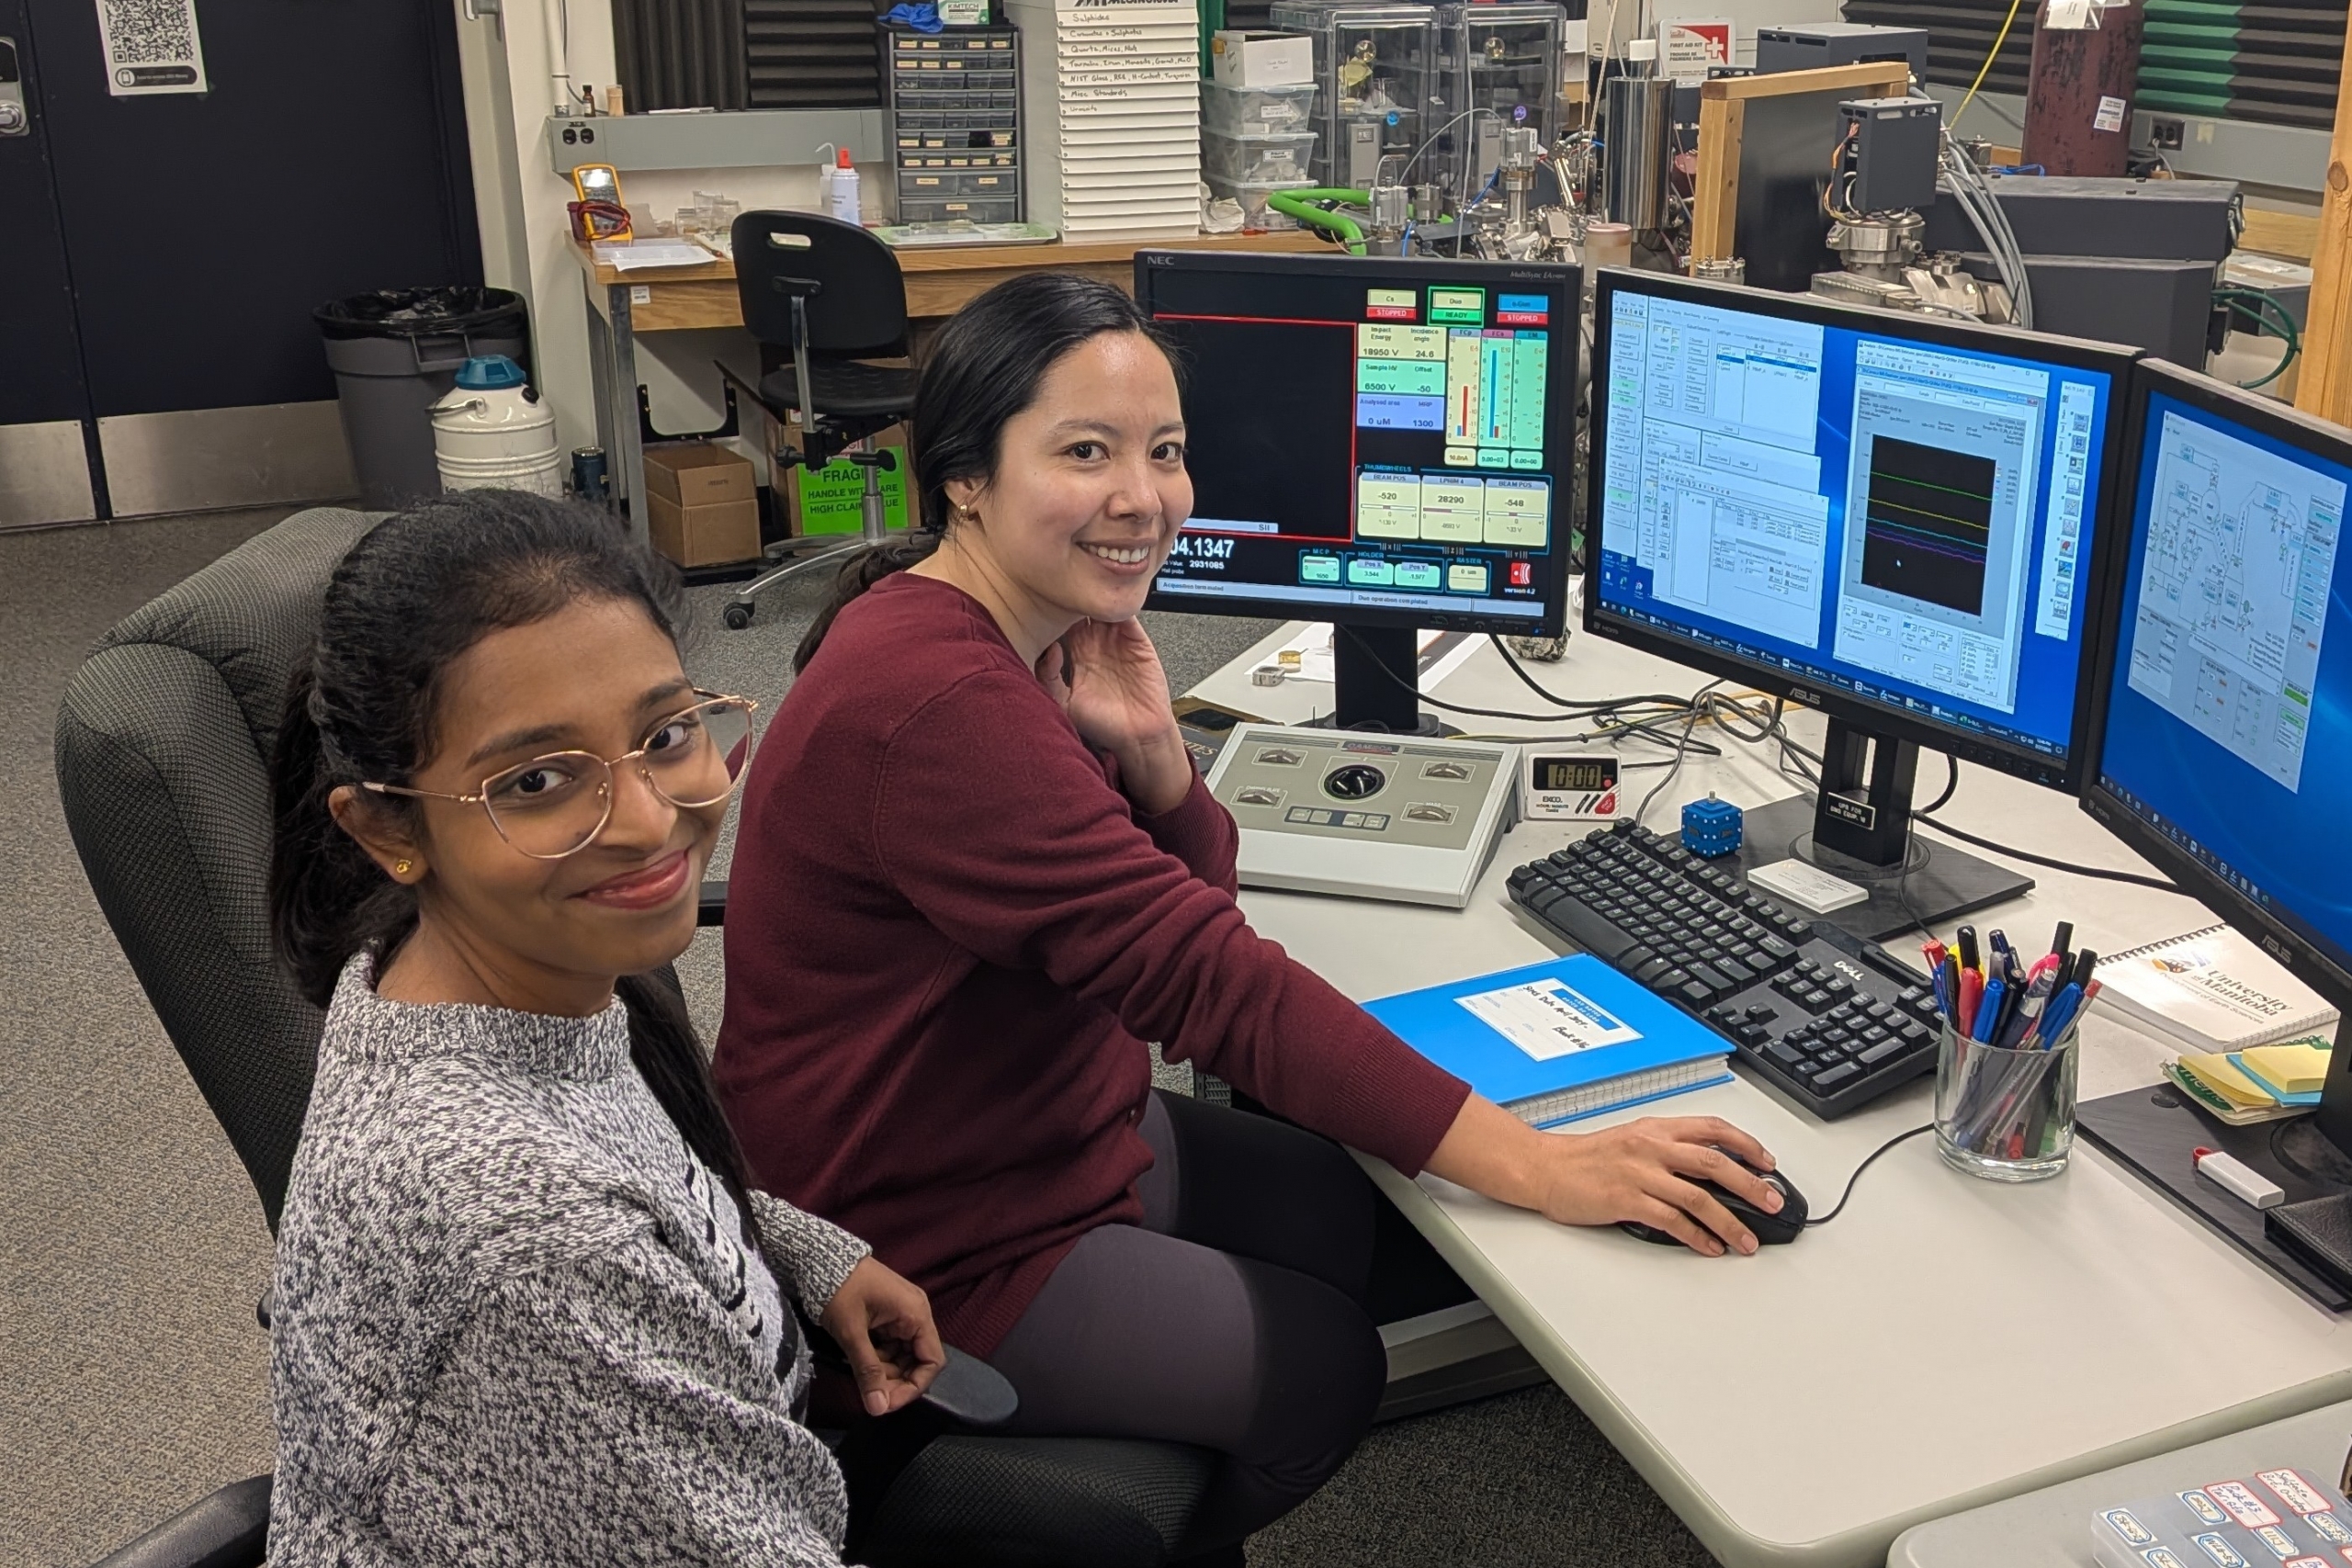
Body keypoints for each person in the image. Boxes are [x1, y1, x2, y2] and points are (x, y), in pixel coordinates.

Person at [714, 273, 1784, 1562]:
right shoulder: (943, 702)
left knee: (1339, 1212)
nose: (1144, 496)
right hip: (926, 1227)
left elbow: (1177, 911)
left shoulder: (990, 627)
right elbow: (1214, 987)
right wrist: (1543, 1160)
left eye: (1164, 451)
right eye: (1085, 451)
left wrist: (1160, 762)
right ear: (965, 477)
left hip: (1030, 1120)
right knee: (1323, 1365)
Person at [265, 492, 944, 1567]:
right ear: (387, 826)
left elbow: (618, 1161)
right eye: (536, 781)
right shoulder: (528, 1240)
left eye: (668, 733)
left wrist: (799, 1252)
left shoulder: (474, 979)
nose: (644, 820)